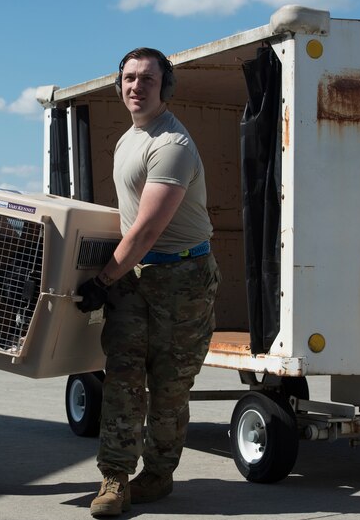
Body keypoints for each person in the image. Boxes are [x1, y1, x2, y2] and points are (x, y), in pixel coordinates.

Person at [75, 48, 221, 517]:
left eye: (147, 80)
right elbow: (126, 221)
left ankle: (157, 476)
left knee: (170, 386)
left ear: (166, 87)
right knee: (122, 377)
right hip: (136, 278)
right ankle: (114, 479)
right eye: (129, 78)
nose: (136, 87)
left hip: (183, 279)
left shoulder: (171, 145)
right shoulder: (127, 140)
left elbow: (148, 229)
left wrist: (102, 279)